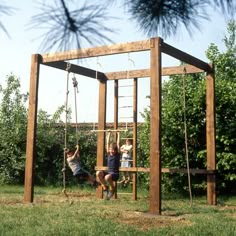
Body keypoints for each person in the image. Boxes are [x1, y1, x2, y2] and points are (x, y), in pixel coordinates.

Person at [96, 130, 120, 200]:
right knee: (98, 173)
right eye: (110, 149)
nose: (111, 151)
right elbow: (107, 143)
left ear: (115, 151)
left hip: (115, 174)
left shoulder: (117, 155)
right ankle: (105, 188)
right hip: (109, 172)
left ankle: (112, 188)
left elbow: (118, 144)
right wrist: (109, 134)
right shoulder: (109, 154)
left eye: (112, 150)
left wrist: (118, 134)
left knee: (107, 177)